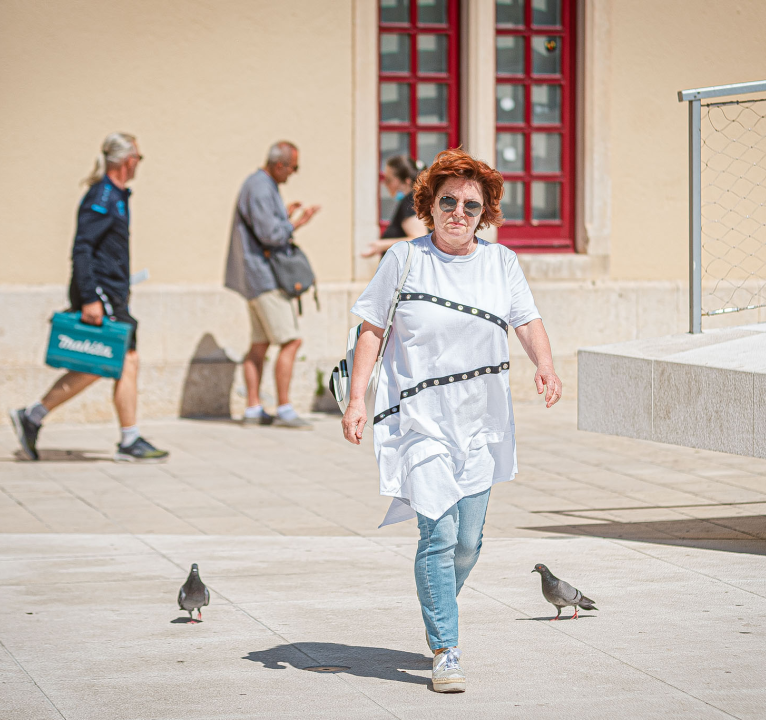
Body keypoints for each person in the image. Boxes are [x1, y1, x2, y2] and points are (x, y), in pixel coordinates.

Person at [341, 148, 561, 693]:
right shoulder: (404, 259)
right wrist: (356, 398)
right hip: (421, 421)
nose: (458, 211)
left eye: (470, 204)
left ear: (484, 213)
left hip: (480, 422)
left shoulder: (501, 262)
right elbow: (372, 328)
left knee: (468, 544)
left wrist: (547, 366)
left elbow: (526, 319)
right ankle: (446, 647)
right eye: (447, 200)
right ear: (429, 205)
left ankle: (437, 598)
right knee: (437, 536)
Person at [9, 133, 169, 463]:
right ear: (129, 161)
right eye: (139, 157)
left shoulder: (117, 196)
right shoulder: (103, 197)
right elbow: (82, 249)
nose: (139, 163)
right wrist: (90, 298)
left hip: (114, 293)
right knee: (115, 361)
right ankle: (127, 439)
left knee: (115, 362)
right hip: (103, 296)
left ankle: (35, 416)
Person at [225, 141, 321, 428]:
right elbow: (271, 235)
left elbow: (264, 225)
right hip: (264, 277)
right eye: (293, 167)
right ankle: (284, 409)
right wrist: (298, 222)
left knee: (259, 344)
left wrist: (284, 214)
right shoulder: (260, 187)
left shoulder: (258, 185)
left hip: (253, 276)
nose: (293, 174)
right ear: (280, 165)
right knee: (291, 341)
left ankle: (253, 409)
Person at [363, 155, 429, 258]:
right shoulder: (410, 200)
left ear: (406, 181)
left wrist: (382, 245)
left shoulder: (410, 201)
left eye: (389, 180)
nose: (385, 184)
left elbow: (419, 239)